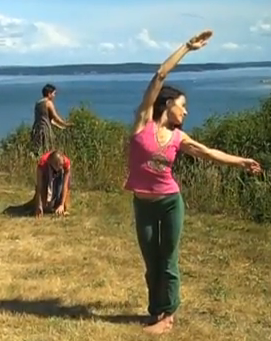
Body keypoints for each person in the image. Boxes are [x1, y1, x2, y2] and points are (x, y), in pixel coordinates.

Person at [124, 29, 262, 335]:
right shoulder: (143, 121)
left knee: (168, 259)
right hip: (143, 204)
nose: (185, 110)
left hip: (170, 203)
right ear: (168, 104)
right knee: (152, 262)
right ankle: (155, 310)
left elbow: (208, 153)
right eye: (182, 105)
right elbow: (159, 74)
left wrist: (242, 161)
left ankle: (167, 317)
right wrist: (187, 47)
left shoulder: (178, 137)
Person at [31, 84, 72, 156]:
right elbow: (55, 117)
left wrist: (61, 127)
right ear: (49, 94)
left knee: (37, 150)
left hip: (36, 129)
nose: (54, 96)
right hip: (45, 130)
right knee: (47, 151)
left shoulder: (38, 103)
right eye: (54, 93)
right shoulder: (48, 103)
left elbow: (50, 120)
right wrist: (65, 124)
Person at [34, 150, 71, 218]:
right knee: (45, 207)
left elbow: (65, 185)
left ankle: (60, 204)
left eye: (61, 165)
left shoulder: (66, 163)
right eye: (58, 165)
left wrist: (62, 204)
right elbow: (39, 186)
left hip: (60, 175)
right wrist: (39, 204)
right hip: (47, 172)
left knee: (65, 206)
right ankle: (43, 203)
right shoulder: (42, 164)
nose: (60, 166)